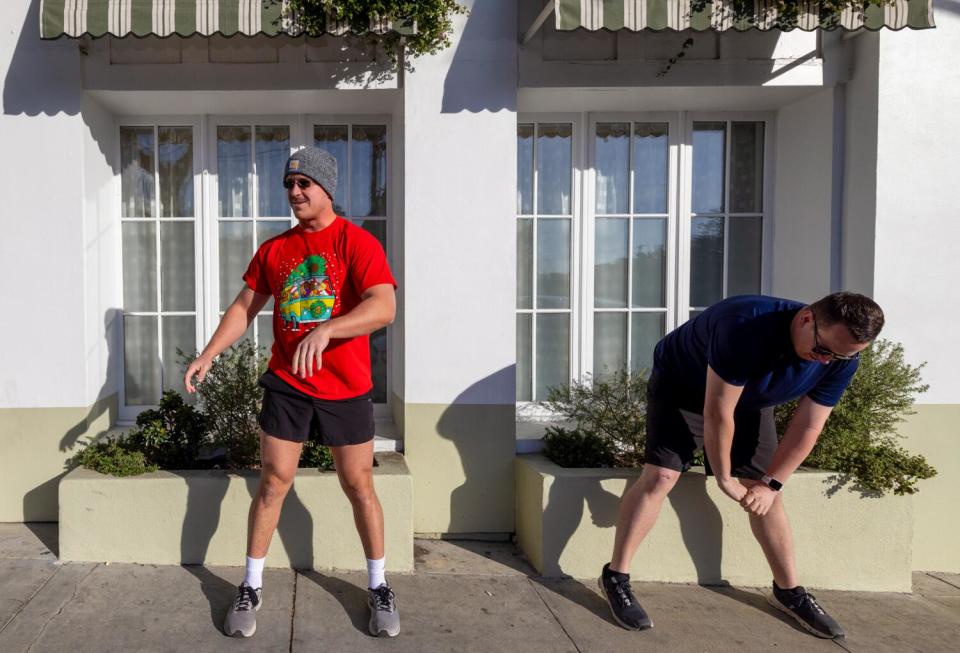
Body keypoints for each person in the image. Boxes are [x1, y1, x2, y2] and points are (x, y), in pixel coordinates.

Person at [184, 147, 399, 638]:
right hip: (288, 384)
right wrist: (208, 353)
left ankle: (379, 585)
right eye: (289, 185)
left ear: (327, 189)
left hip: (345, 386)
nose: (295, 192)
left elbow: (383, 306)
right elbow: (244, 307)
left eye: (304, 184)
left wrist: (328, 330)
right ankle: (251, 586)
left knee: (358, 484)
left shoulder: (357, 243)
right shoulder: (275, 250)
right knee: (274, 482)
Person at [598, 292, 884, 640]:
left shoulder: (841, 358)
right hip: (683, 384)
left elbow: (809, 425)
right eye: (824, 350)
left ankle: (789, 591)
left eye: (842, 356)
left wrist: (771, 484)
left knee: (766, 492)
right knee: (662, 476)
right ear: (807, 319)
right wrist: (724, 479)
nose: (827, 362)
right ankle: (616, 576)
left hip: (751, 397)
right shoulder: (745, 326)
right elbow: (718, 411)